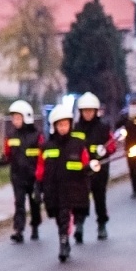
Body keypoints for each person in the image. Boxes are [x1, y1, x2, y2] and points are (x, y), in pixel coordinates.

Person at [37, 103, 93, 262]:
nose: (63, 128)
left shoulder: (78, 144)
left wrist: (89, 169)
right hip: (53, 188)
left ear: (70, 124)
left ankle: (63, 241)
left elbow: (85, 163)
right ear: (54, 126)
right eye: (60, 125)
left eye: (66, 124)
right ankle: (64, 238)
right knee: (58, 215)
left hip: (73, 187)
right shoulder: (46, 146)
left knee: (65, 215)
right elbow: (40, 168)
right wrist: (38, 186)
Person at [72, 93, 116, 240]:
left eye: (91, 111)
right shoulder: (76, 129)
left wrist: (105, 150)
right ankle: (79, 225)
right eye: (85, 111)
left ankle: (102, 224)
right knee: (80, 198)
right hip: (82, 169)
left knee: (99, 198)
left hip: (100, 168)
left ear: (96, 111)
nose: (88, 114)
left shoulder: (103, 128)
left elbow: (112, 145)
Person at [3, 99, 43, 241]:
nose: (15, 121)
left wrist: (40, 176)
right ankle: (19, 230)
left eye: (18, 118)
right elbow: (7, 155)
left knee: (34, 203)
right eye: (13, 118)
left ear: (26, 117)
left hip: (33, 176)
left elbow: (42, 156)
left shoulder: (37, 136)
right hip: (17, 176)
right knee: (19, 203)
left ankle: (35, 226)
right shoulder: (10, 136)